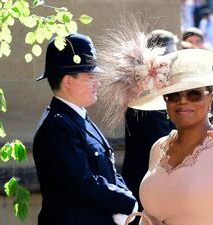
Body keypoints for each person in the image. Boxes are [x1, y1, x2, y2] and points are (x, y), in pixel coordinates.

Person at [98, 30, 213, 224]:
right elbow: (152, 216)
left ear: (210, 98)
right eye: (173, 95)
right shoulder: (159, 147)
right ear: (165, 101)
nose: (182, 102)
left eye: (194, 94)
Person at [32, 33, 137, 225]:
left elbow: (109, 170)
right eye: (90, 76)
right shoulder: (58, 125)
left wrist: (125, 196)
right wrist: (126, 203)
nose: (97, 82)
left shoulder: (77, 118)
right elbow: (82, 182)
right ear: (67, 81)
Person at [122, 29, 177, 224]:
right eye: (172, 54)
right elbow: (163, 140)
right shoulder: (145, 94)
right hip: (147, 182)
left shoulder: (159, 89)